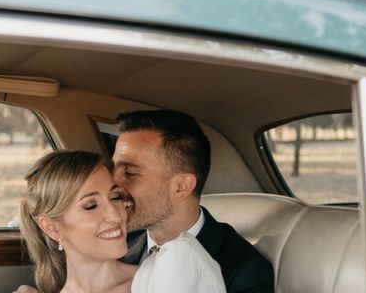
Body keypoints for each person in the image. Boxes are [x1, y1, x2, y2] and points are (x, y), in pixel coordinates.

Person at [18, 149, 225, 293]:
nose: (117, 215)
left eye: (115, 197)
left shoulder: (170, 275)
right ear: (52, 228)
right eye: (91, 206)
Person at [112, 110, 274, 293]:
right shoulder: (114, 246)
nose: (112, 183)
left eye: (131, 172)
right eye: (113, 168)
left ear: (181, 187)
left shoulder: (243, 272)